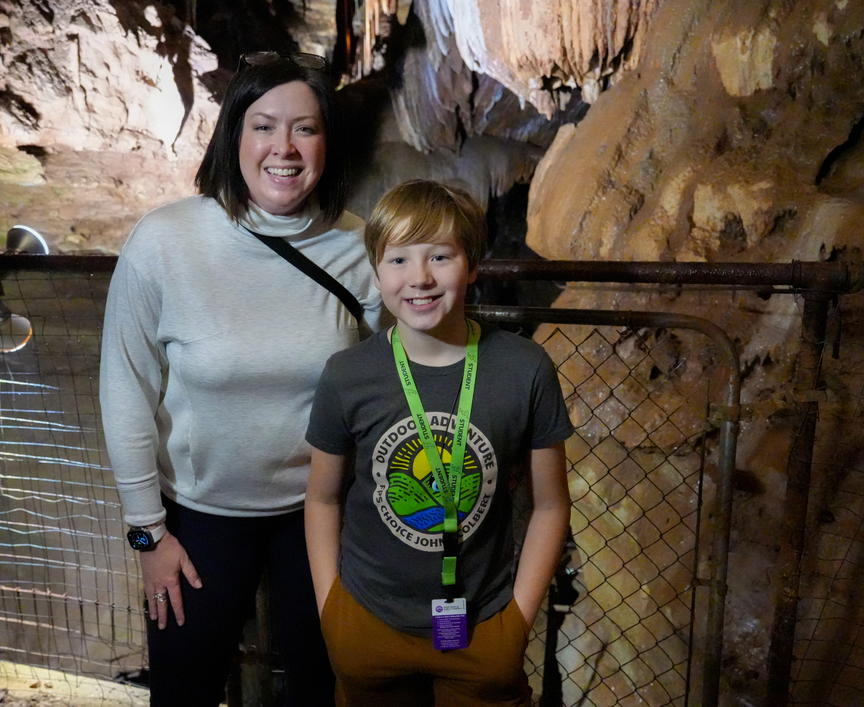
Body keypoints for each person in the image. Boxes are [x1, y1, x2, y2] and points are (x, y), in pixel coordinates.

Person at [99, 51, 384, 707]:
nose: (283, 148)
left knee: (325, 685)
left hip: (320, 515)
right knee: (186, 686)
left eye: (305, 128)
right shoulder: (165, 242)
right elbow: (125, 393)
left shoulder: (360, 246)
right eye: (264, 126)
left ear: (327, 141)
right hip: (198, 519)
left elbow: (404, 364)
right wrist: (148, 532)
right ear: (234, 136)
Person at [304, 179, 574, 707]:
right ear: (377, 271)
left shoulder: (523, 369)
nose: (420, 278)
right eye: (399, 259)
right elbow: (322, 497)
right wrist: (331, 609)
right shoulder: (347, 375)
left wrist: (517, 619)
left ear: (471, 265)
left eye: (440, 256)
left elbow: (550, 504)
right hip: (367, 622)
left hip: (482, 626)